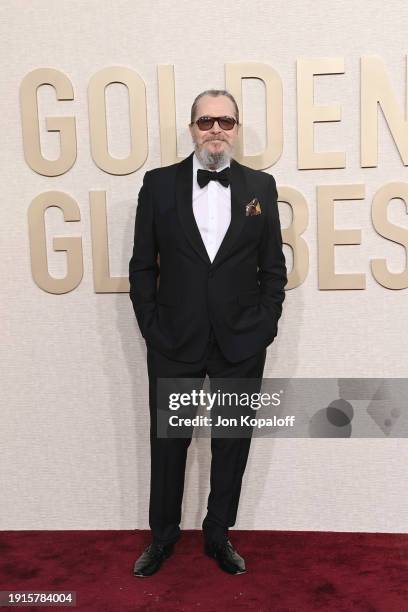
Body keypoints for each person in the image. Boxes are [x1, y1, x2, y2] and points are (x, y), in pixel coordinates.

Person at [128, 89, 287, 576]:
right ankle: (162, 537)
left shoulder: (261, 186)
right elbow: (141, 268)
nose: (216, 130)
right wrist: (153, 328)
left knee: (232, 440)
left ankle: (219, 534)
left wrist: (264, 325)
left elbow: (273, 270)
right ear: (192, 127)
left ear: (236, 129)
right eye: (206, 122)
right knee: (170, 440)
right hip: (174, 339)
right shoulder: (157, 185)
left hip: (241, 341)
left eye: (226, 122)